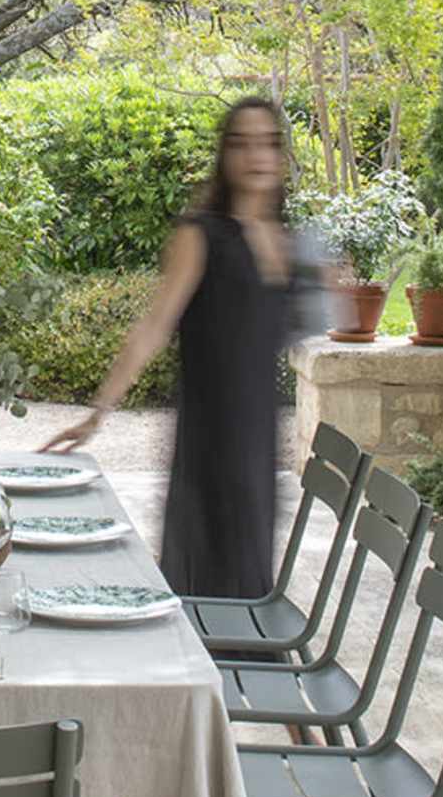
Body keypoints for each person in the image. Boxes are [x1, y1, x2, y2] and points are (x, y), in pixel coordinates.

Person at [45, 96, 319, 599]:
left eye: (268, 143)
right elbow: (153, 326)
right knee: (210, 575)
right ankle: (209, 672)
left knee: (252, 574)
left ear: (281, 155)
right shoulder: (201, 235)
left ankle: (243, 672)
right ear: (224, 155)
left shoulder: (287, 240)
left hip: (258, 442)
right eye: (241, 142)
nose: (256, 154)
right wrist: (98, 413)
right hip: (209, 440)